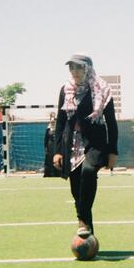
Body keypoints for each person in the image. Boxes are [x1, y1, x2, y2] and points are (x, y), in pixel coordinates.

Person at [52, 53, 118, 238]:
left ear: (88, 68)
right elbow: (61, 121)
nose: (75, 71)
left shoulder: (103, 89)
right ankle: (87, 228)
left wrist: (113, 150)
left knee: (88, 171)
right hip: (71, 143)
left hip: (95, 142)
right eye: (71, 67)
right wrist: (57, 151)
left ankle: (81, 220)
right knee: (76, 188)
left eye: (79, 67)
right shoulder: (66, 90)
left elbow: (111, 123)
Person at [43, 112, 57, 177]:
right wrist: (46, 147)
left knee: (55, 159)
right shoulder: (48, 128)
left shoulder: (58, 127)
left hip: (56, 146)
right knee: (48, 160)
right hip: (50, 146)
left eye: (54, 120)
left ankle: (56, 173)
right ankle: (48, 173)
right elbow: (46, 139)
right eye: (51, 120)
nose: (53, 121)